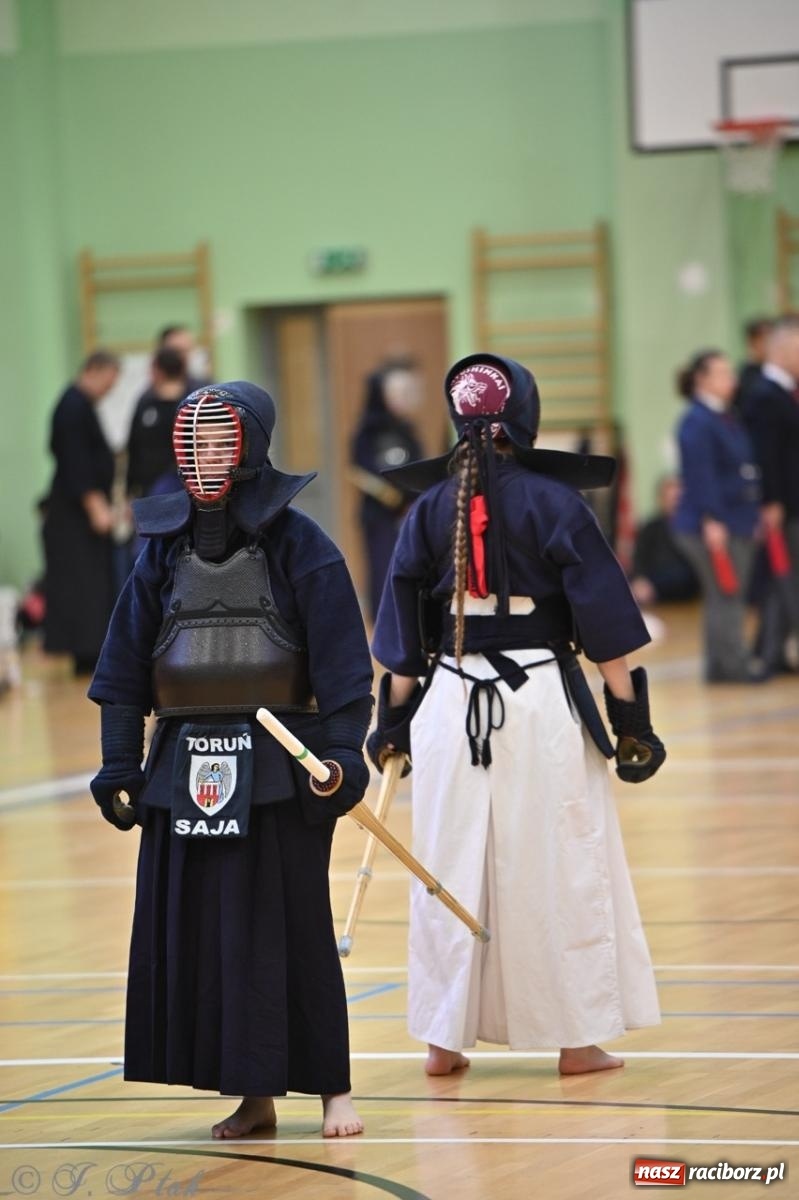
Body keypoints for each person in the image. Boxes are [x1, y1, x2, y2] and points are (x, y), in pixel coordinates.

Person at [88, 381, 373, 1139]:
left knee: (293, 928)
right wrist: (119, 764)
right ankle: (252, 1095)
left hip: (279, 764)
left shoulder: (302, 545)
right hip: (183, 764)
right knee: (210, 937)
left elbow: (345, 669)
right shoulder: (161, 549)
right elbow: (123, 669)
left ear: (251, 447)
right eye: (197, 443)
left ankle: (334, 1091)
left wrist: (343, 753)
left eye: (221, 442)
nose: (206, 457)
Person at [367, 353, 665, 1078]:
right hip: (536, 707)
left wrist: (391, 726)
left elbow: (403, 639)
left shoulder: (429, 507)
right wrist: (631, 723)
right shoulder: (554, 503)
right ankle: (576, 1041)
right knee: (559, 863)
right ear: (523, 416)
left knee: (446, 865)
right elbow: (606, 630)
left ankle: (443, 1042)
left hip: (448, 705)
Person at [671, 350, 761, 683]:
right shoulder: (698, 421)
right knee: (727, 595)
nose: (731, 380)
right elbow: (700, 475)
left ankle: (720, 667)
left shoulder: (724, 416)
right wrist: (712, 519)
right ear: (702, 379)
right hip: (713, 525)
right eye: (722, 373)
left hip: (734, 519)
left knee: (723, 596)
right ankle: (734, 666)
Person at [42, 350, 121, 674]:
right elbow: (76, 463)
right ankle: (86, 653)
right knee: (83, 584)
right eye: (108, 382)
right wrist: (96, 506)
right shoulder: (72, 407)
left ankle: (92, 650)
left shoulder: (81, 405)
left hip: (80, 512)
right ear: (94, 370)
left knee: (93, 582)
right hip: (75, 515)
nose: (109, 390)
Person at [738, 317, 799, 672]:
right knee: (784, 580)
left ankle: (772, 652)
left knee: (783, 581)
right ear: (783, 349)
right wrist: (771, 501)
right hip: (784, 506)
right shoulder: (764, 395)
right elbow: (766, 454)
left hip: (791, 504)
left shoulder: (784, 393)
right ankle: (770, 652)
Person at [350, 360, 423, 619]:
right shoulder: (366, 432)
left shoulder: (407, 429)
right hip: (379, 514)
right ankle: (383, 621)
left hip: (410, 512)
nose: (404, 399)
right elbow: (359, 472)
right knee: (382, 567)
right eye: (397, 393)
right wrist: (395, 500)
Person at [127, 347, 192, 501]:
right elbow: (133, 446)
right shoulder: (146, 402)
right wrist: (130, 489)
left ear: (158, 371)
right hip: (149, 489)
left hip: (184, 488)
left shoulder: (191, 405)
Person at [630, 476, 699, 607]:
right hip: (651, 580)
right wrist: (640, 579)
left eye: (678, 499)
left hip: (681, 584)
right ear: (661, 499)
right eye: (671, 498)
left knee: (680, 576)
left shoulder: (693, 528)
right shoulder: (650, 527)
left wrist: (652, 586)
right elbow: (639, 557)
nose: (675, 503)